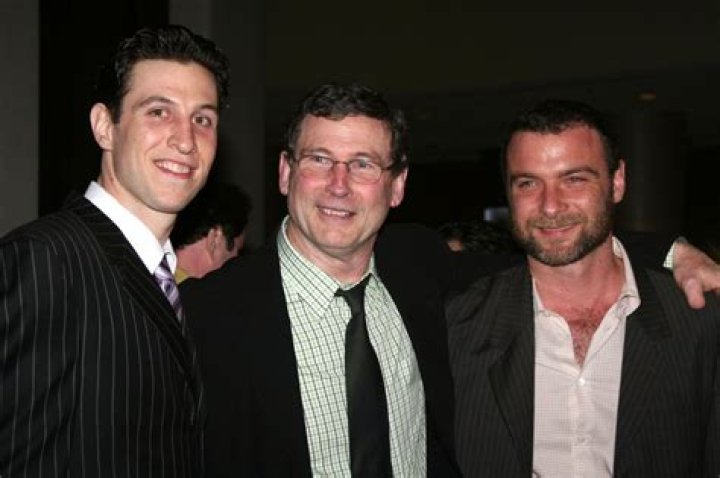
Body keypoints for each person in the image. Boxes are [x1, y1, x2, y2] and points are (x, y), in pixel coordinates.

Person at [182, 83, 720, 477]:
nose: (338, 185)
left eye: (364, 164)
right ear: (285, 172)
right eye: (320, 159)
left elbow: (558, 247)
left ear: (397, 185)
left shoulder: (417, 264)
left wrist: (672, 251)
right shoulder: (205, 317)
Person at [0, 25, 229, 476]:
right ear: (105, 127)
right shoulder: (45, 261)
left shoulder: (165, 276)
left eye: (202, 119)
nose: (186, 140)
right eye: (159, 112)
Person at [447, 100, 720, 477]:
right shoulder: (457, 326)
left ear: (617, 182)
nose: (550, 206)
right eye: (528, 183)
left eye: (574, 179)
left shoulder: (699, 319)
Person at [171, 181, 251, 282]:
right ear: (215, 239)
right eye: (237, 251)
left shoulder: (156, 282)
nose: (237, 261)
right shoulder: (200, 291)